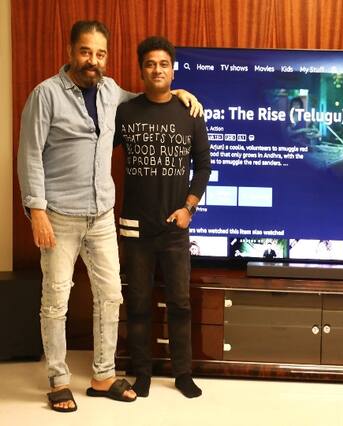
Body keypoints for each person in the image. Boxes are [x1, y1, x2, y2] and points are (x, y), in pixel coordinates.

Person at [17, 20, 202, 412]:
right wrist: (36, 210)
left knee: (111, 296)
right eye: (86, 51)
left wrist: (176, 93)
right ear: (71, 51)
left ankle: (103, 375)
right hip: (59, 215)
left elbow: (147, 97)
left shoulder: (110, 90)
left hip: (101, 215)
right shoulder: (46, 95)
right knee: (56, 300)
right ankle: (58, 380)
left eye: (100, 54)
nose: (93, 60)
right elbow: (29, 154)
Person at [114, 36, 211, 399]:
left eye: (164, 64)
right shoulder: (125, 112)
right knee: (138, 303)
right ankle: (142, 374)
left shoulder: (190, 113)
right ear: (142, 70)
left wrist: (189, 208)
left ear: (173, 70)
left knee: (180, 304)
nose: (157, 70)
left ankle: (183, 374)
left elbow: (204, 166)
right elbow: (96, 152)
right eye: (150, 64)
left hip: (174, 229)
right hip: (135, 228)